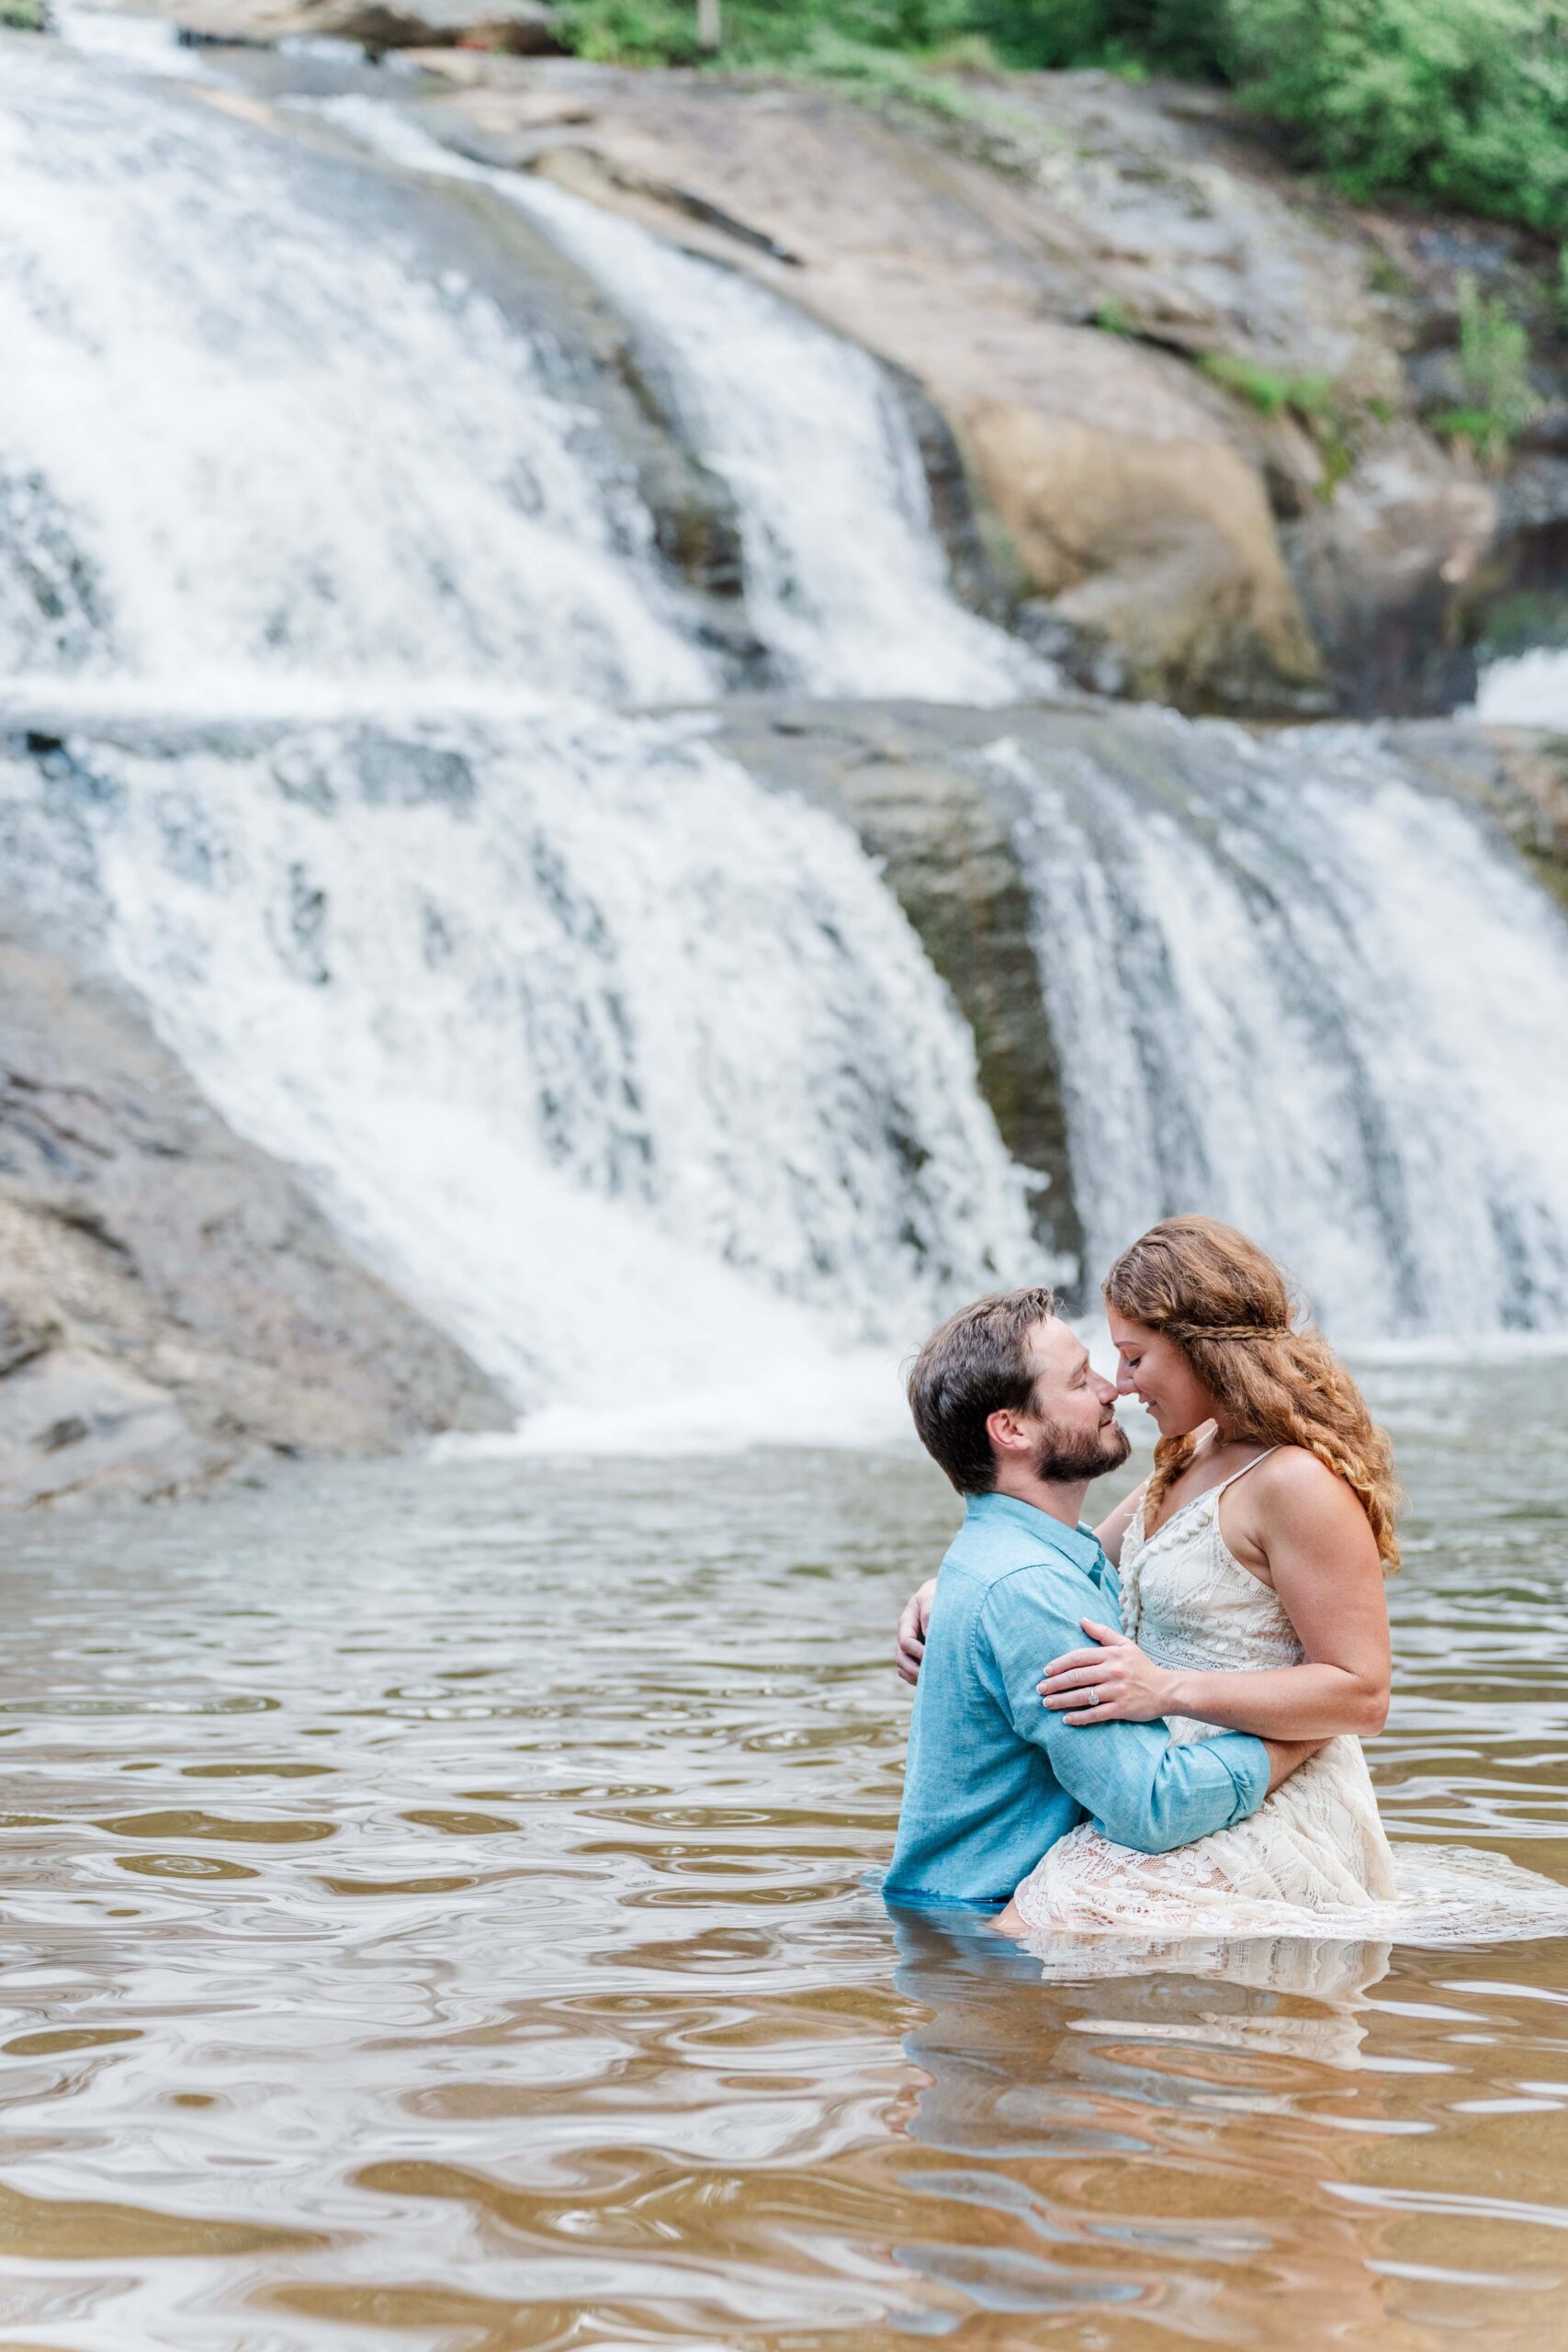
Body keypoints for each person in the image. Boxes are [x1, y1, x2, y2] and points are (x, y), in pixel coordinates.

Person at [892, 1216, 1568, 1944]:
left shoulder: (1296, 1484)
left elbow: (1364, 1694)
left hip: (1261, 1782)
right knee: (1039, 1954)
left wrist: (1173, 1691)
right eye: (1107, 1364)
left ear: (1198, 1352)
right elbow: (1076, 1556)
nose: (1118, 1385)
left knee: (1041, 1931)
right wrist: (956, 1585)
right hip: (1176, 1777)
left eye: (1131, 1358)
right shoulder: (1190, 1453)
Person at [881, 1272, 1324, 1913]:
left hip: (979, 1918)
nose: (1110, 1388)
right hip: (987, 1940)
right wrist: (1310, 1730)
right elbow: (1152, 1805)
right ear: (1011, 1430)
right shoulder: (1025, 1587)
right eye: (1079, 1378)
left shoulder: (1030, 1559)